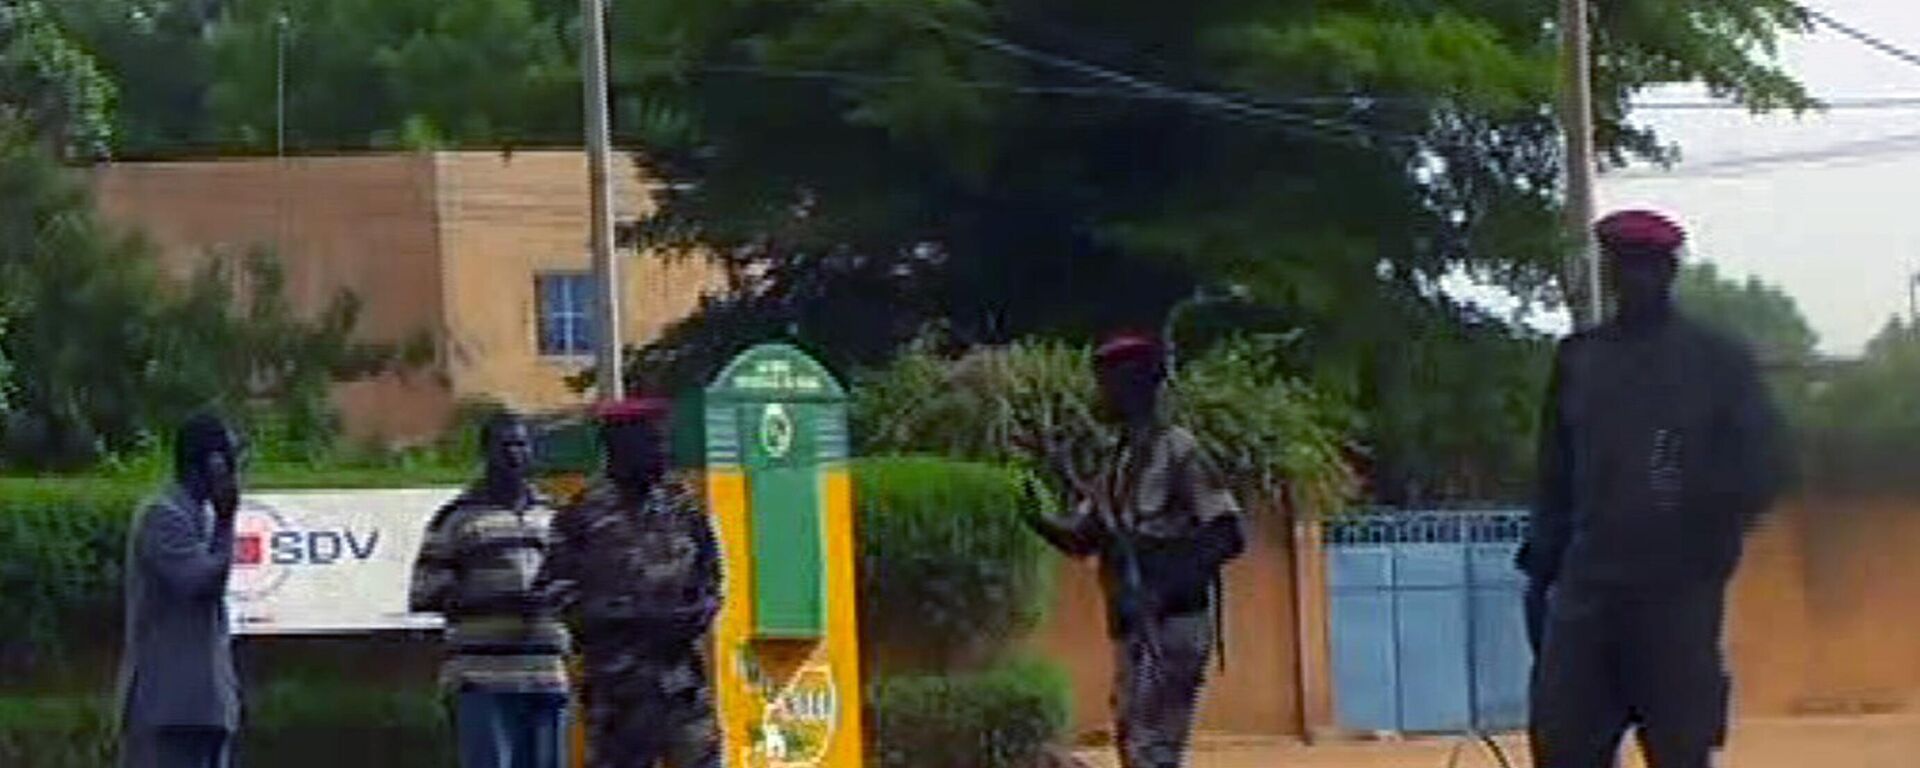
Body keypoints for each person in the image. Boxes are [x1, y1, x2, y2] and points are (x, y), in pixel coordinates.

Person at [1522, 210, 1784, 768]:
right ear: (1610, 273)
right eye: (1623, 267)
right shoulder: (1580, 360)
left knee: (1680, 750)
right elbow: (1555, 477)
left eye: (1646, 267)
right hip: (1588, 595)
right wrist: (1541, 572)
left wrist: (1704, 544)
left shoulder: (1718, 362)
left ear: (1669, 271)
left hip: (1676, 599)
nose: (1634, 279)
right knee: (1564, 747)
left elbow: (1762, 469)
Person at [1021, 334, 1247, 768]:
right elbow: (1086, 539)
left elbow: (1227, 534)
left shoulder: (1179, 451)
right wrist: (1040, 522)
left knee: (1151, 747)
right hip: (1130, 623)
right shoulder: (1117, 462)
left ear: (1141, 386)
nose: (1101, 393)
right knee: (1134, 740)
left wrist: (1164, 585)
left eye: (1110, 381)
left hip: (1173, 621)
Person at [536, 398, 722, 768]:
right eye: (651, 443)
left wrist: (694, 614)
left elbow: (711, 576)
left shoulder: (682, 507)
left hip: (682, 684)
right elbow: (553, 591)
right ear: (619, 448)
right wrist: (625, 618)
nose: (662, 453)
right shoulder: (581, 515)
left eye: (663, 443)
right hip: (618, 693)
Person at [410, 412, 571, 768]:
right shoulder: (458, 518)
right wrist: (503, 601)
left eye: (521, 445)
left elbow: (576, 582)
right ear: (486, 452)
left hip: (545, 673)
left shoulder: (554, 515)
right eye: (505, 446)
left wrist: (559, 596)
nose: (514, 455)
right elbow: (426, 593)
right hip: (482, 677)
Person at [118, 412, 246, 768]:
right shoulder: (161, 516)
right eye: (229, 461)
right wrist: (226, 520)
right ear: (211, 463)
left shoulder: (199, 517)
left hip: (207, 705)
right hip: (169, 708)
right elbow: (200, 583)